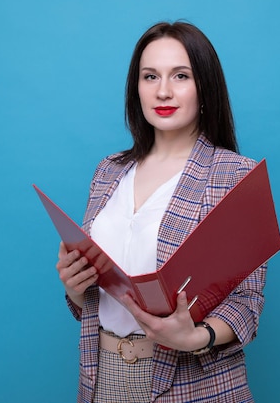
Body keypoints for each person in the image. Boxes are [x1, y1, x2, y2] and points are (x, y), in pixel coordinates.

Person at [55, 21, 268, 403]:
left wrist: (196, 337)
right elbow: (95, 296)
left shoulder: (235, 175)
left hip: (194, 387)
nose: (163, 91)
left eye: (181, 76)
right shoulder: (109, 171)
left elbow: (247, 304)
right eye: (150, 76)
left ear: (204, 86)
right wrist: (74, 289)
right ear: (135, 88)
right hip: (103, 379)